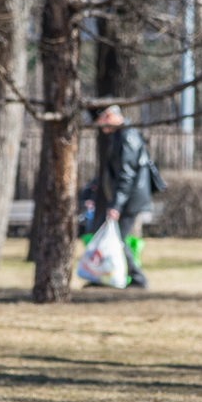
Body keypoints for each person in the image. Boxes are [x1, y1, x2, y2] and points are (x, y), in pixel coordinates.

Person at [81, 104, 155, 289]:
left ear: (109, 115)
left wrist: (116, 205)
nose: (100, 127)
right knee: (105, 234)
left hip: (129, 199)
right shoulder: (119, 135)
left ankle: (137, 278)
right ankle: (102, 275)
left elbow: (126, 175)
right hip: (123, 198)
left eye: (101, 121)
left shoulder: (127, 136)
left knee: (118, 238)